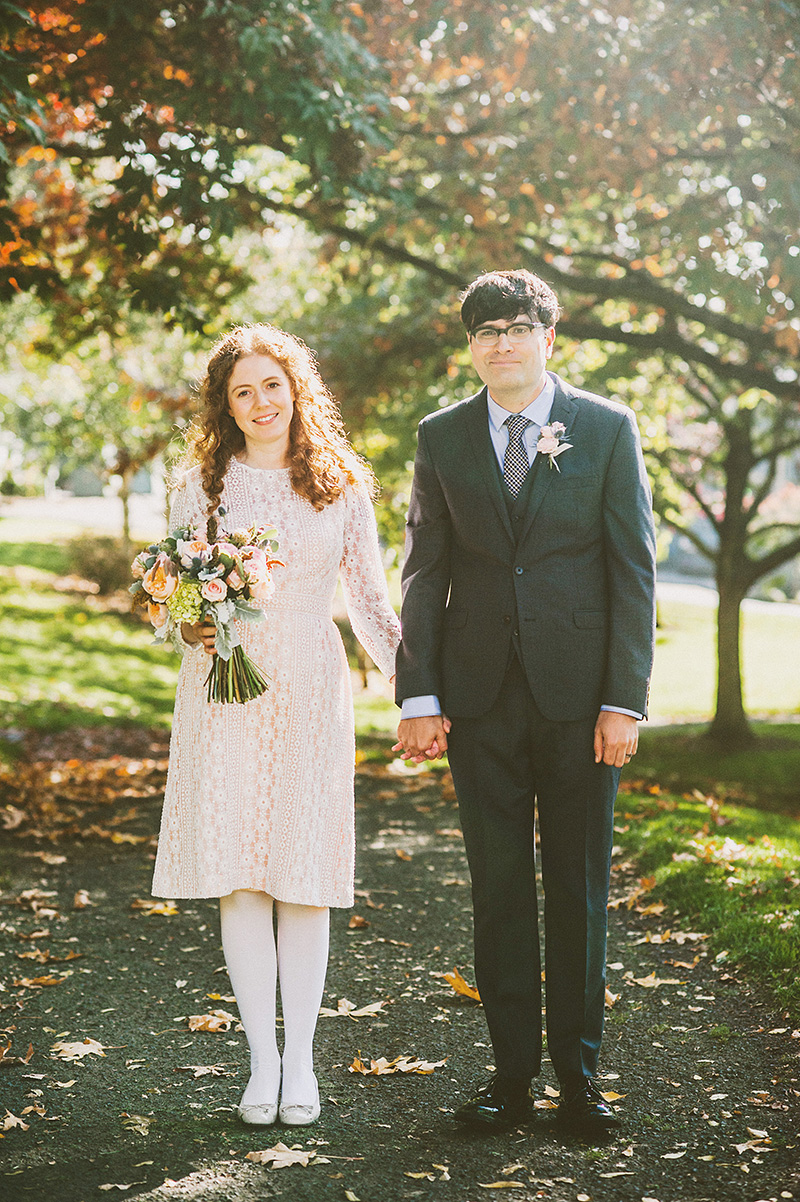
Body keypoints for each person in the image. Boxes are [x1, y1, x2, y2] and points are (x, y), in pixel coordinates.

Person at [394, 270, 656, 1136]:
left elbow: (633, 571)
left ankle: (580, 1084)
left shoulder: (607, 428)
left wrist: (624, 700)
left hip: (581, 704)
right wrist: (420, 693)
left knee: (578, 889)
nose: (498, 342)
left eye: (514, 326)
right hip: (477, 703)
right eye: (482, 331)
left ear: (550, 336)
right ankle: (510, 1082)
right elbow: (426, 567)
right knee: (497, 889)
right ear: (470, 346)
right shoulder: (442, 435)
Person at [152, 324, 400, 1128]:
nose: (261, 403)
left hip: (308, 683)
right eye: (243, 391)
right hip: (222, 689)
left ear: (298, 390)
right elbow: (169, 594)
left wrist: (417, 691)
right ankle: (261, 1062)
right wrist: (186, 621)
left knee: (304, 875)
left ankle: (304, 1065)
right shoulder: (200, 483)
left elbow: (368, 599)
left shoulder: (341, 485)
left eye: (273, 385)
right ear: (226, 406)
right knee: (243, 876)